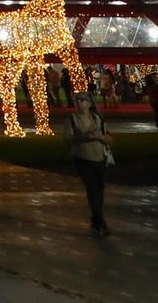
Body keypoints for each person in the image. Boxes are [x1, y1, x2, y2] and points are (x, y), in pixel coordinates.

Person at [60, 91, 113, 236]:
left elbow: (110, 138)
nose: (79, 102)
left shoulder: (97, 119)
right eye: (77, 100)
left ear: (89, 103)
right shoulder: (72, 120)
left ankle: (96, 220)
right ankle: (99, 222)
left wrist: (100, 137)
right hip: (83, 159)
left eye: (82, 100)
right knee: (92, 189)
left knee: (99, 191)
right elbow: (67, 139)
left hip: (100, 158)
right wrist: (84, 137)